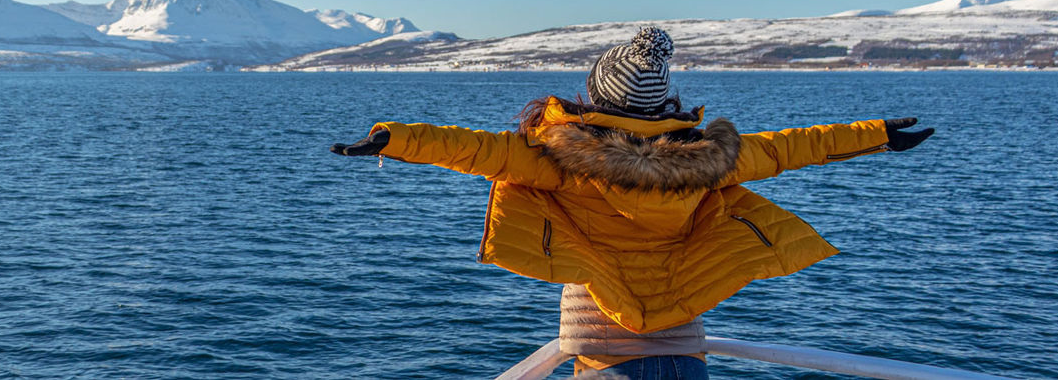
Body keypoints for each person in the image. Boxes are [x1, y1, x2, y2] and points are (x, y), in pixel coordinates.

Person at [332, 27, 934, 379]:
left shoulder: (560, 158)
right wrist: (877, 133)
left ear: (596, 95)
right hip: (681, 349)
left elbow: (472, 150)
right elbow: (793, 148)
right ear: (662, 102)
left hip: (602, 350)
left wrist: (393, 137)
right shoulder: (708, 159)